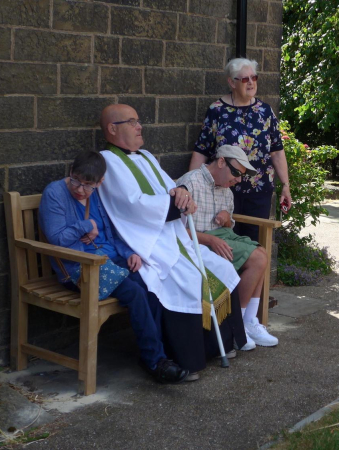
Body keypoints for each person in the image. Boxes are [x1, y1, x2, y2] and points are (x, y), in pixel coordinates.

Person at [97, 104, 247, 379]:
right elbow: (132, 205)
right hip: (147, 242)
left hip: (174, 236)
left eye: (138, 120)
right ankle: (187, 357)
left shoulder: (145, 156)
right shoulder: (107, 161)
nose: (139, 126)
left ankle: (218, 345)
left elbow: (171, 186)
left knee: (221, 269)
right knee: (187, 277)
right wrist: (174, 203)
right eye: (132, 122)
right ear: (112, 128)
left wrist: (182, 194)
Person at [39, 150, 188, 384]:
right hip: (81, 268)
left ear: (100, 183)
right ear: (71, 172)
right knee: (135, 292)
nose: (80, 190)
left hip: (111, 261)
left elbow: (112, 233)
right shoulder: (54, 193)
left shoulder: (96, 195)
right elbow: (57, 238)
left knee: (152, 282)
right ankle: (155, 361)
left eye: (88, 185)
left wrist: (130, 253)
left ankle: (161, 354)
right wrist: (86, 224)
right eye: (77, 181)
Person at [177, 145, 278, 348]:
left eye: (241, 175)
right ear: (221, 162)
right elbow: (175, 232)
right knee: (258, 258)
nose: (238, 179)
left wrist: (225, 220)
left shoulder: (226, 189)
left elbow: (229, 225)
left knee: (262, 254)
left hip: (223, 236)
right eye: (236, 173)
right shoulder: (190, 183)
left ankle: (249, 322)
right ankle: (237, 326)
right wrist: (209, 239)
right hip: (197, 242)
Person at [189, 57, 291, 242]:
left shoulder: (265, 111)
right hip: (223, 191)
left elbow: (276, 151)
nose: (251, 82)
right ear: (231, 82)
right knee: (225, 242)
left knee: (254, 244)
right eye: (245, 79)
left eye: (254, 77)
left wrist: (285, 185)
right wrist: (190, 187)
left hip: (259, 192)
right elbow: (202, 150)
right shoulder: (217, 110)